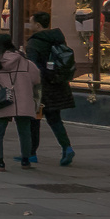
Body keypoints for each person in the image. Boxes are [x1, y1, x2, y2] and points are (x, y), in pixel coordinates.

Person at [0, 32, 39, 171]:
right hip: (23, 100)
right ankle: (25, 160)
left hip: (1, 101)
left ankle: (0, 162)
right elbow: (36, 77)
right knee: (24, 131)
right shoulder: (22, 60)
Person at [25, 11, 76, 165]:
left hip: (40, 87)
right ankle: (67, 147)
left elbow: (33, 67)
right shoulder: (57, 38)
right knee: (55, 119)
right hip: (57, 84)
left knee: (34, 120)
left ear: (38, 25)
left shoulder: (34, 42)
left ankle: (31, 153)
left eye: (31, 22)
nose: (30, 25)